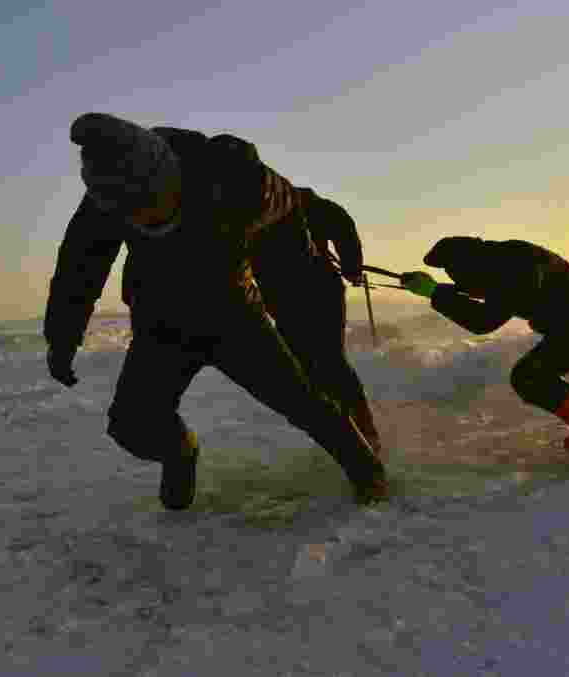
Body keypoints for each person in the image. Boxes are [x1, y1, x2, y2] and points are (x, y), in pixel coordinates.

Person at [43, 112, 388, 510]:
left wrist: (303, 300)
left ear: (170, 177)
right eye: (131, 216)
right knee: (131, 425)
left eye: (152, 206)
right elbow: (77, 271)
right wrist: (62, 340)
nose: (145, 220)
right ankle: (180, 453)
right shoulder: (106, 197)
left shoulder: (236, 177)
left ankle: (368, 472)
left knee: (304, 402)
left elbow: (298, 216)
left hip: (233, 317)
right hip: (162, 321)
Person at [399, 237, 569, 454]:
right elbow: (488, 292)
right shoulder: (507, 256)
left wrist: (435, 293)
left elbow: (482, 321)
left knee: (529, 377)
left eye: (454, 272)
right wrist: (445, 291)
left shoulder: (507, 272)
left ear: (468, 264)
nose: (455, 278)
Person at [249, 188, 384, 459]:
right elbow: (340, 219)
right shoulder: (241, 207)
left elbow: (339, 220)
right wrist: (352, 266)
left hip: (316, 294)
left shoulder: (288, 198)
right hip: (292, 300)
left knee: (327, 363)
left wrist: (352, 265)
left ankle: (362, 434)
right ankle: (350, 432)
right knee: (309, 368)